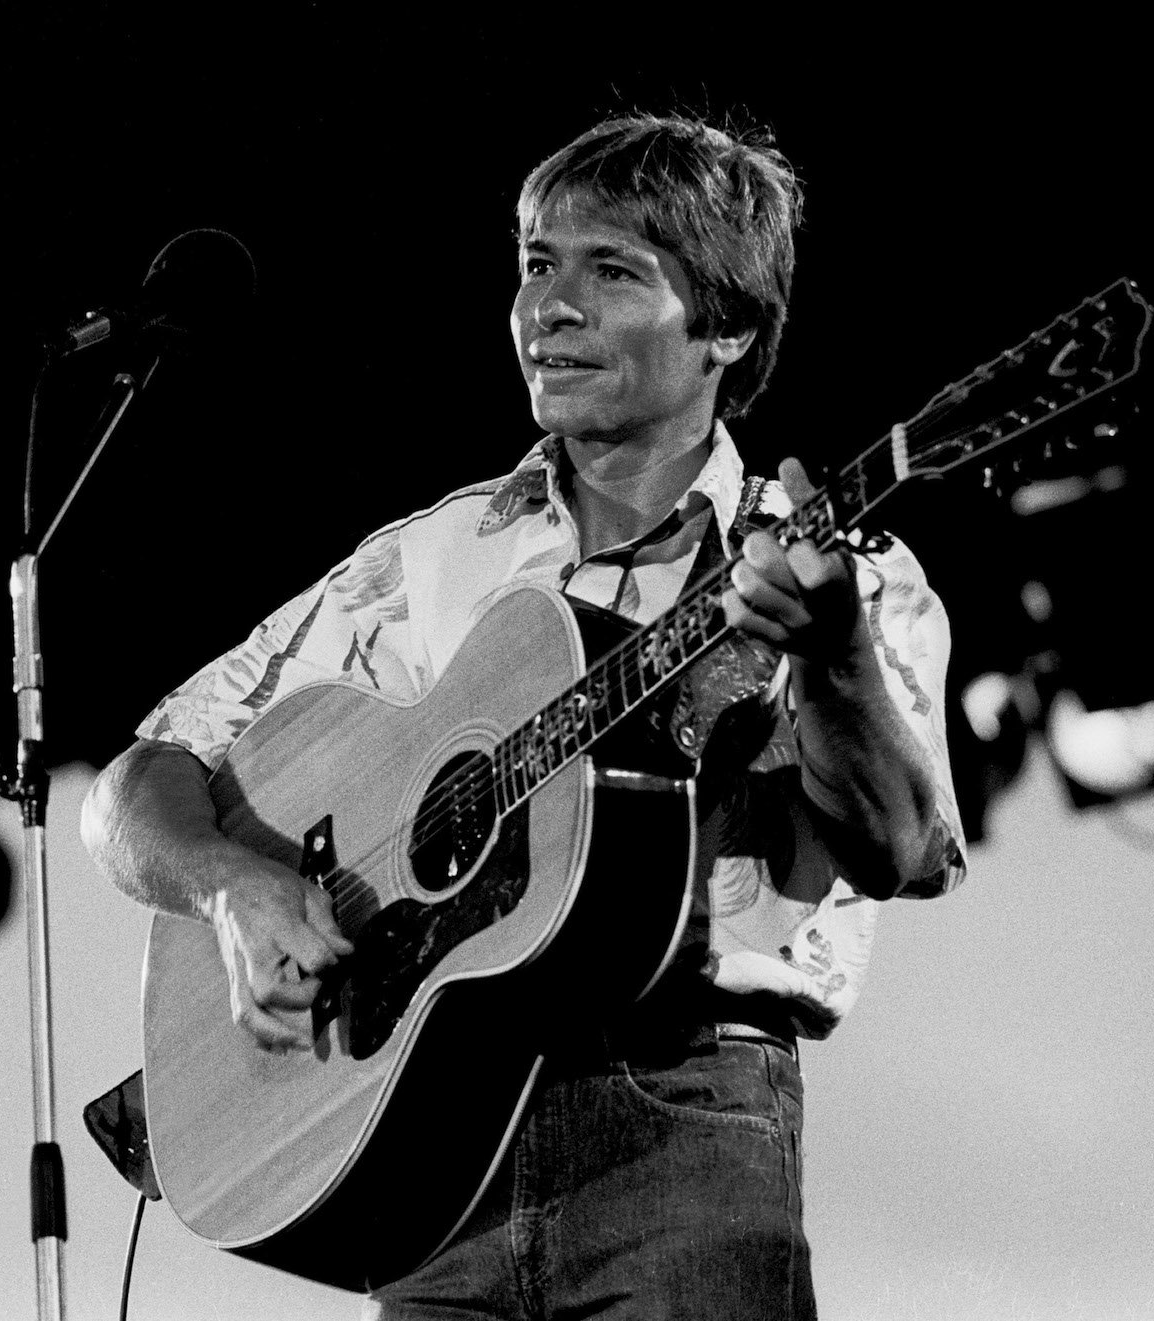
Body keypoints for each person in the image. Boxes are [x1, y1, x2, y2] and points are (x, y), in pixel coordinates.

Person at [81, 114, 967, 1319]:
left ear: (727, 328)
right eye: (536, 264)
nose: (548, 306)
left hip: (682, 1131)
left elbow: (902, 847)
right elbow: (137, 780)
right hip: (432, 1146)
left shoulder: (840, 573)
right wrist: (232, 889)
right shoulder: (429, 557)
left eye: (611, 272)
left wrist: (834, 652)